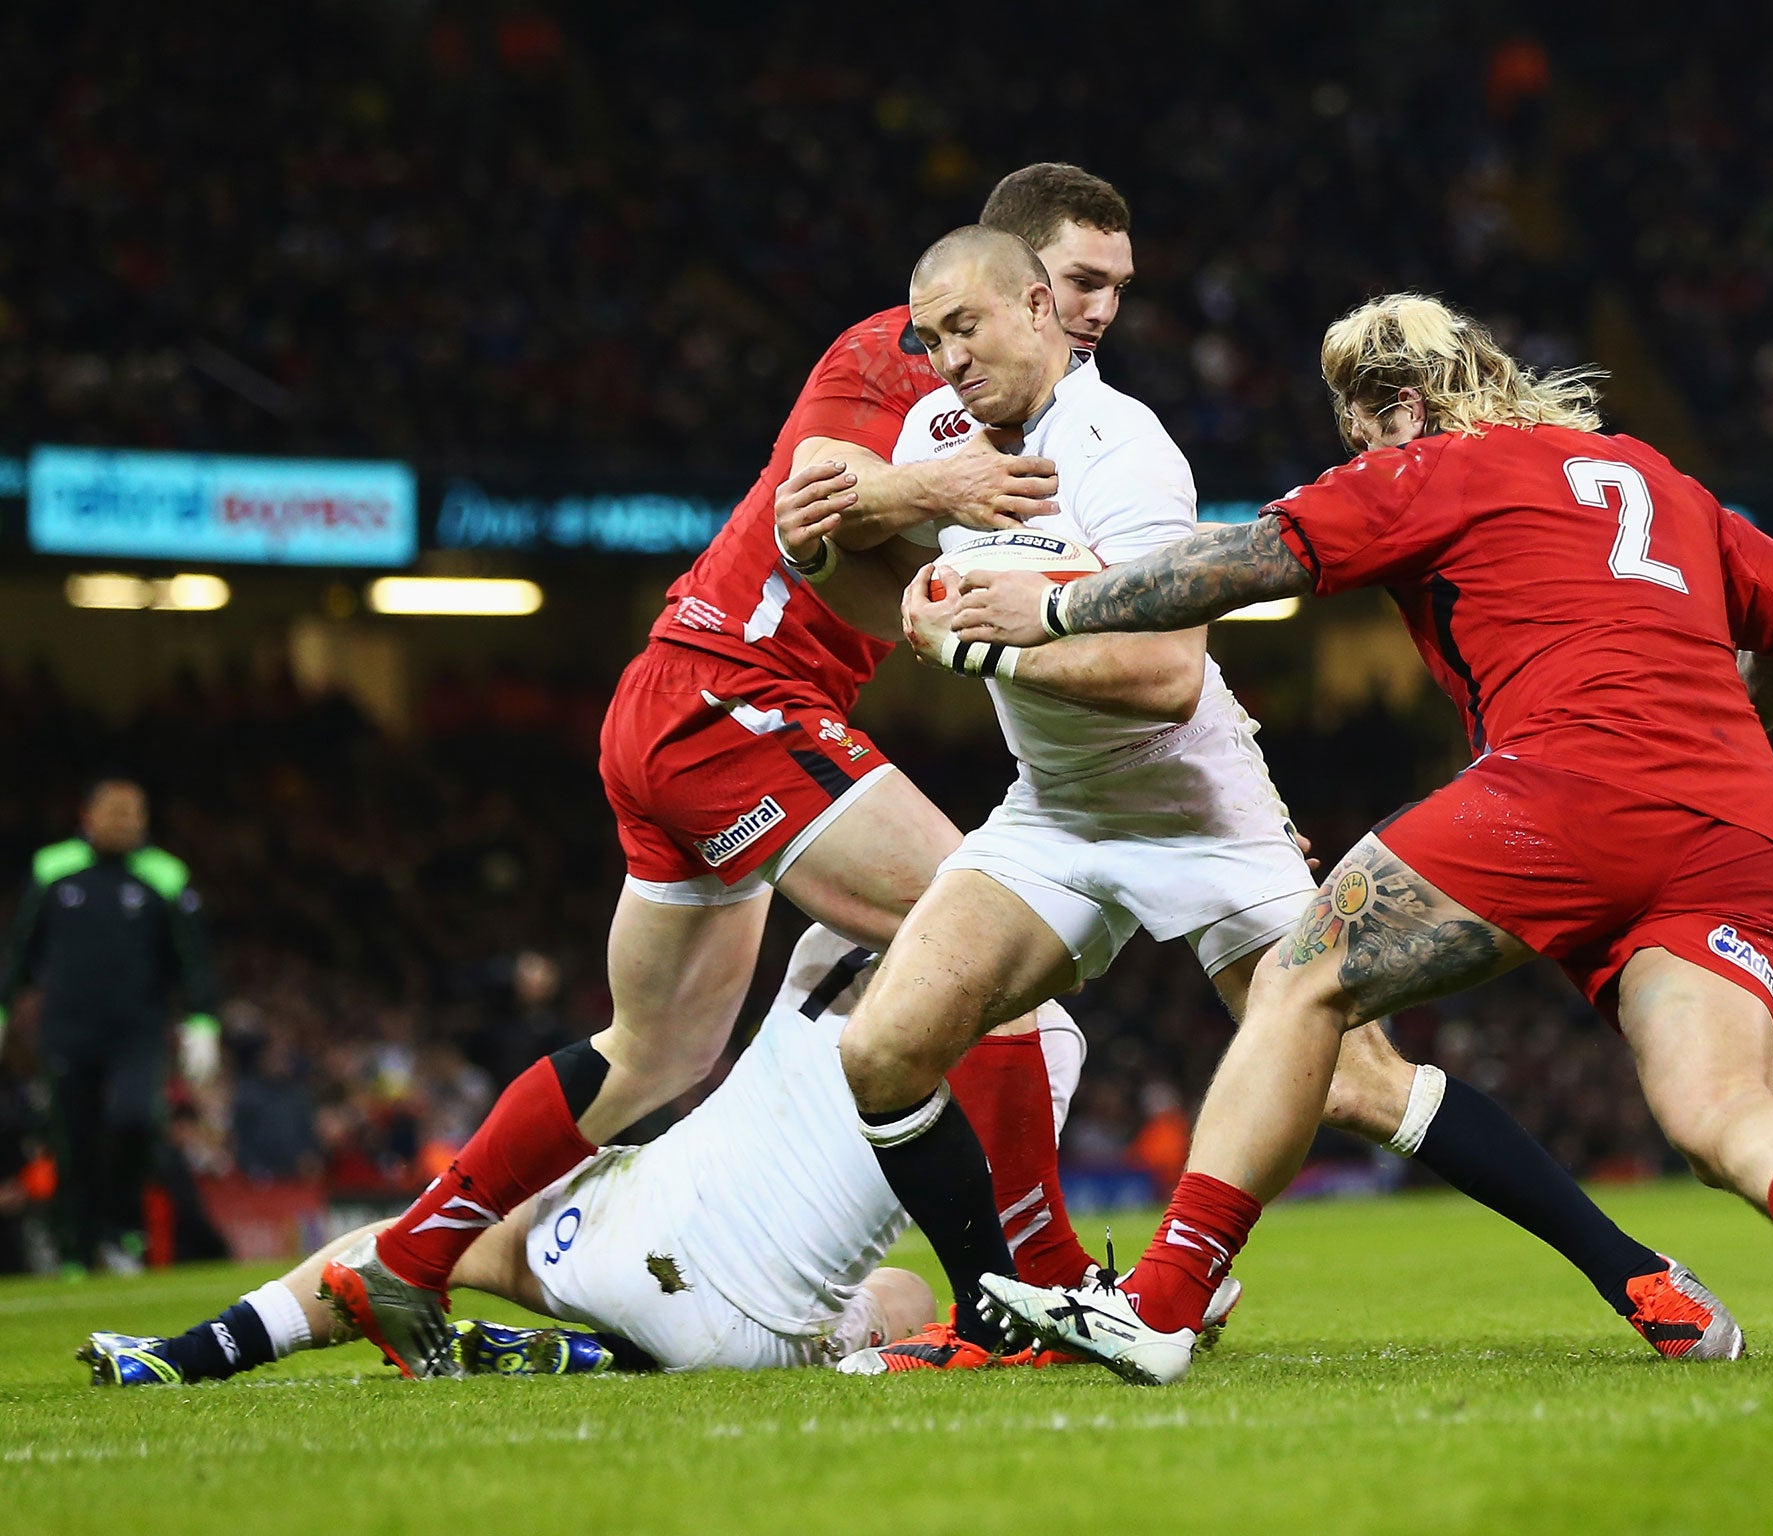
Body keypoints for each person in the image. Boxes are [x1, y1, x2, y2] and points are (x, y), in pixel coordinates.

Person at [786, 233, 1740, 1374]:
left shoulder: (1119, 448)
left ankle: (1637, 1274)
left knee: (1357, 1080)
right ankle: (999, 1319)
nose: (943, 359)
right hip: (1054, 809)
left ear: (1032, 311)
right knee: (883, 1053)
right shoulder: (934, 440)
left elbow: (1163, 674)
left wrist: (980, 655)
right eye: (927, 337)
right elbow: (901, 600)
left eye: (963, 329)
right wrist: (818, 554)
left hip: (1196, 807)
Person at [956, 293, 1773, 1379]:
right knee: (1720, 1108)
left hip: (1564, 784)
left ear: (1400, 404)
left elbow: (1249, 560)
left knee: (1300, 985)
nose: (1351, 448)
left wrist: (1057, 608)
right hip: (1733, 818)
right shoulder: (1653, 477)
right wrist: (1710, 738)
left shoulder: (1430, 467)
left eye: (1356, 424)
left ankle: (1161, 1304)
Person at [321, 164, 1142, 1377]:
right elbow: (811, 504)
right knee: (984, 934)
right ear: (1007, 273)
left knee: (653, 1053)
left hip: (691, 703)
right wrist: (940, 488)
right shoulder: (894, 355)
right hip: (729, 695)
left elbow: (948, 569)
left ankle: (408, 1257)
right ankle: (1036, 1286)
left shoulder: (1056, 404)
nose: (1097, 310)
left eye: (1117, 289)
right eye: (1076, 281)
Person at [79, 927, 1035, 1384]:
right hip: (745, 1340)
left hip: (623, 1233)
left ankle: (191, 1354)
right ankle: (613, 1359)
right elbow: (1015, 1220)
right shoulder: (1035, 1043)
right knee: (909, 1294)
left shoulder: (824, 945)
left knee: (428, 1237)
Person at [0, 778, 220, 1274]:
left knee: (134, 1118)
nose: (123, 823)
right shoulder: (53, 868)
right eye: (113, 813)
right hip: (67, 1030)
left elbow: (193, 956)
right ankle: (74, 1250)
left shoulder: (165, 875)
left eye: (132, 814)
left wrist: (202, 1020)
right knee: (70, 1138)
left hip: (137, 1031)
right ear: (87, 816)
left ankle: (124, 1230)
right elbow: (20, 950)